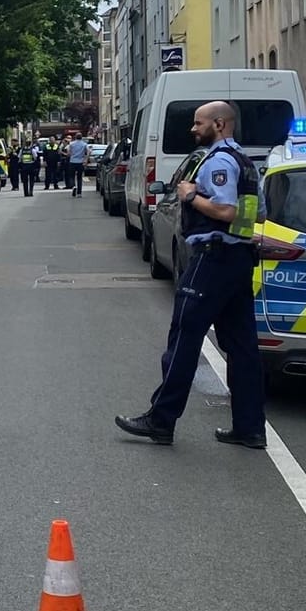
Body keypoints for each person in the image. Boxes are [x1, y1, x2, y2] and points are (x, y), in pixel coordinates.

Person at [115, 101, 267, 449]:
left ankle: (161, 420)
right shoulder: (246, 163)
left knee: (183, 338)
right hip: (238, 259)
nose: (193, 130)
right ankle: (249, 427)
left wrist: (191, 195)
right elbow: (255, 214)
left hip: (212, 260)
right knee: (243, 347)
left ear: (219, 123)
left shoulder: (220, 162)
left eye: (198, 124)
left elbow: (226, 210)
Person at [66, 133, 91, 198]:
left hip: (72, 161)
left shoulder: (71, 144)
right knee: (79, 178)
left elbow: (68, 152)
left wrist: (71, 155)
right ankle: (79, 193)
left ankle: (73, 186)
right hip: (80, 162)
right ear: (81, 137)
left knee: (71, 176)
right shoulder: (84, 144)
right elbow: (88, 151)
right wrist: (86, 159)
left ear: (75, 137)